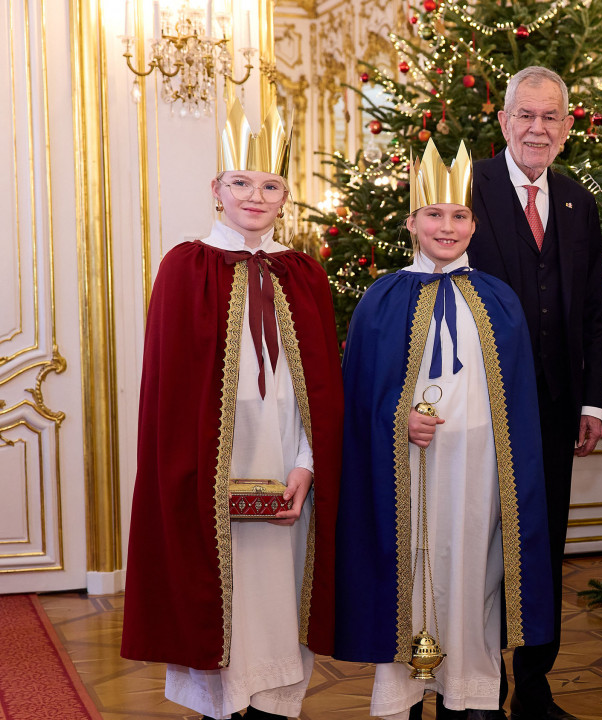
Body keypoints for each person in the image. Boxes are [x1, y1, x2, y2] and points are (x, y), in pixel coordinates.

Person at [120, 91, 343, 720]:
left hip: (285, 462)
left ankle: (275, 705)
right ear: (217, 188)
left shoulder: (304, 273)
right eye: (242, 182)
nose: (255, 195)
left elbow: (320, 388)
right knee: (220, 592)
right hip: (209, 470)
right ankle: (221, 707)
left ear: (285, 197)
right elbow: (169, 392)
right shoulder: (185, 267)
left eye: (271, 185)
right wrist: (198, 474)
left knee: (278, 594)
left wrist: (307, 462)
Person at [333, 139, 555, 720]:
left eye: (459, 216)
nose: (447, 226)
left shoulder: (499, 299)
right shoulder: (380, 299)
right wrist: (394, 420)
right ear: (412, 221)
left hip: (481, 464)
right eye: (435, 214)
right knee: (410, 565)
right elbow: (354, 398)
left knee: (474, 568)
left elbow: (518, 400)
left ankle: (471, 690)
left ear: (474, 224)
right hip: (407, 466)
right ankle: (404, 692)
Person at [466, 66, 602, 720]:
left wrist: (590, 401)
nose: (538, 128)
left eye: (551, 117)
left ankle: (536, 679)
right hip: (483, 405)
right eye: (526, 115)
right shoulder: (470, 188)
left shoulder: (579, 202)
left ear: (569, 126)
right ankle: (480, 682)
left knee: (544, 541)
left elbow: (587, 314)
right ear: (503, 121)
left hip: (555, 412)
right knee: (487, 539)